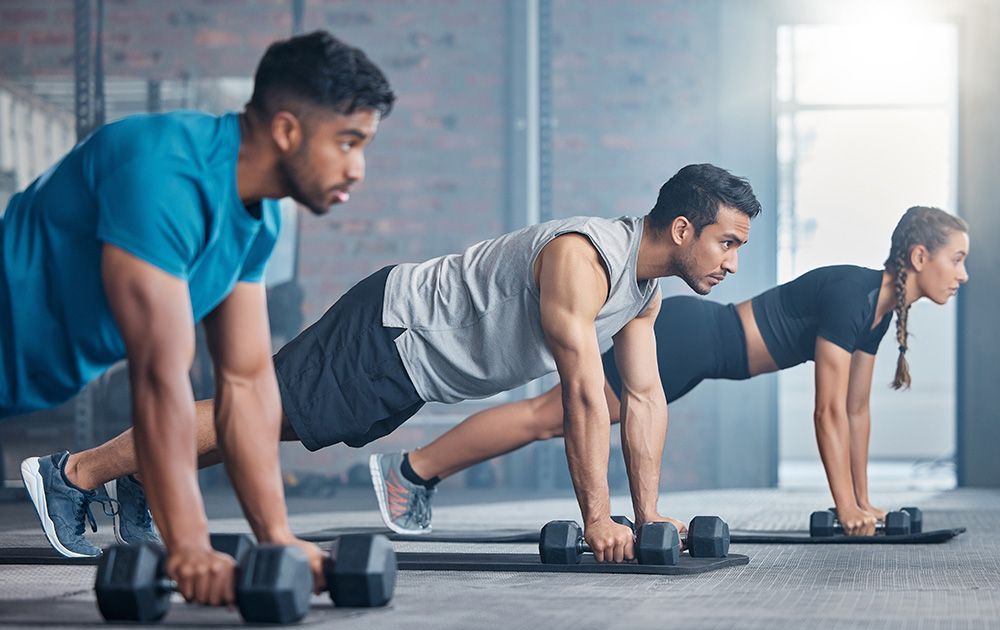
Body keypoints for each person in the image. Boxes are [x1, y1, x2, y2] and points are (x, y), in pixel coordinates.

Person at [35, 163, 761, 563]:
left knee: (269, 427)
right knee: (257, 413)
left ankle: (138, 470)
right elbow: (580, 396)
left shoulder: (642, 296)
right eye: (728, 243)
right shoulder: (584, 257)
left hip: (413, 366)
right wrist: (598, 519)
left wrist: (648, 515)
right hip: (393, 329)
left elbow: (642, 401)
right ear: (683, 227)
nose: (732, 263)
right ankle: (73, 474)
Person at [10, 31, 395, 605]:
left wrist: (277, 538)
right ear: (287, 129)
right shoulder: (164, 170)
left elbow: (245, 386)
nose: (358, 168)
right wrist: (187, 544)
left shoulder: (256, 223)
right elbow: (161, 378)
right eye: (348, 142)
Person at [383, 206, 968, 537]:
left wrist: (864, 505)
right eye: (957, 259)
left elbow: (857, 412)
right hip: (688, 337)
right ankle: (411, 470)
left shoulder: (877, 311)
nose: (962, 274)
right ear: (920, 257)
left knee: (549, 417)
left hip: (699, 354)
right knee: (547, 417)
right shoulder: (853, 292)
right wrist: (844, 512)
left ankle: (415, 471)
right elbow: (827, 411)